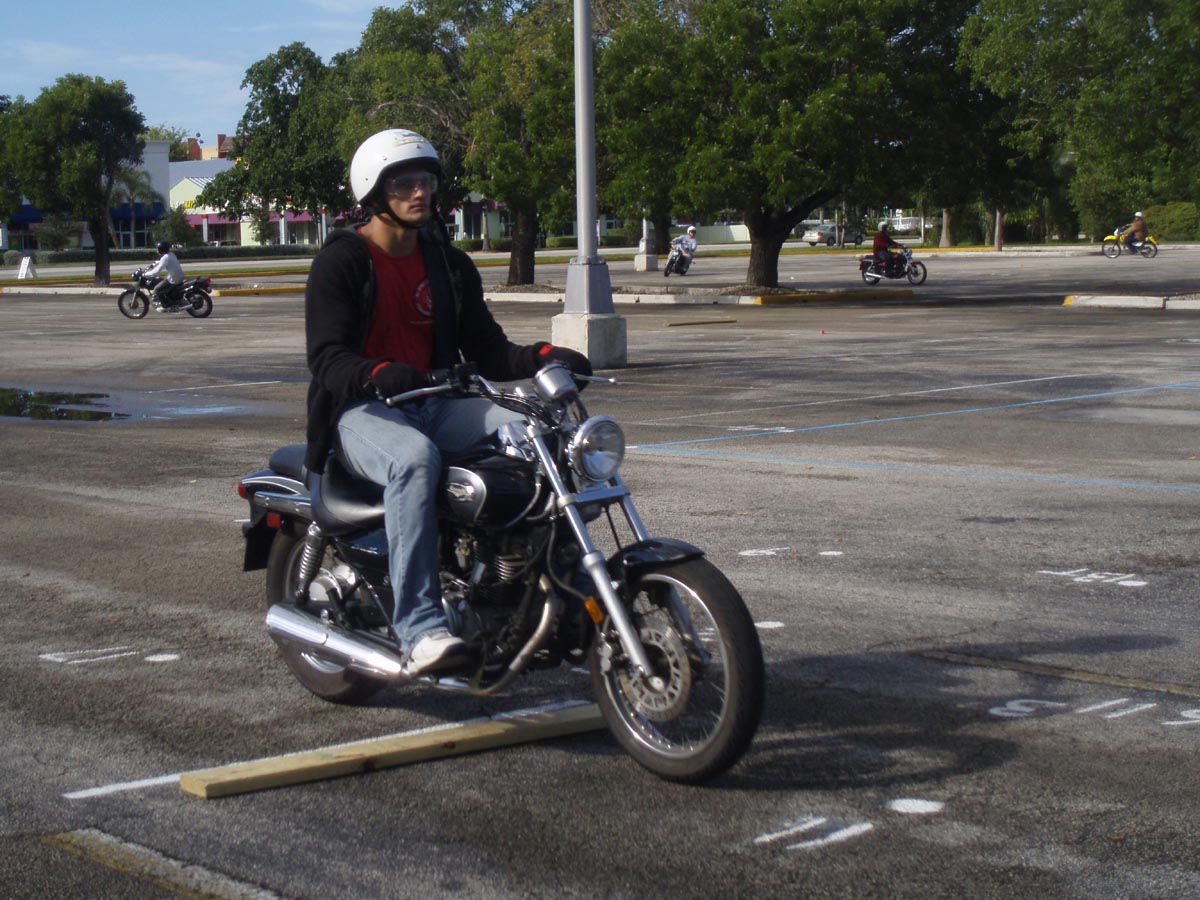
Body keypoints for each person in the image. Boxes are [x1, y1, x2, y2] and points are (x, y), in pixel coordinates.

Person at [304, 128, 591, 676]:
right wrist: (377, 372)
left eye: (426, 181)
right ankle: (419, 630)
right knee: (415, 459)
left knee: (538, 433)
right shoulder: (343, 262)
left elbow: (486, 348)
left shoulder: (448, 264)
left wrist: (542, 356)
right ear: (374, 192)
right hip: (360, 411)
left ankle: (553, 582)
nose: (420, 192)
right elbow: (327, 358)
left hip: (436, 402)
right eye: (404, 184)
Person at [144, 241, 185, 309]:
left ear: (161, 250)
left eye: (158, 249)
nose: (157, 251)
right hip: (179, 277)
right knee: (163, 281)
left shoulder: (165, 257)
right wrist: (154, 263)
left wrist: (146, 274)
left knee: (157, 289)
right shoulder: (171, 254)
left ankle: (166, 305)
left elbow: (157, 271)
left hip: (174, 279)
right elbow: (161, 262)